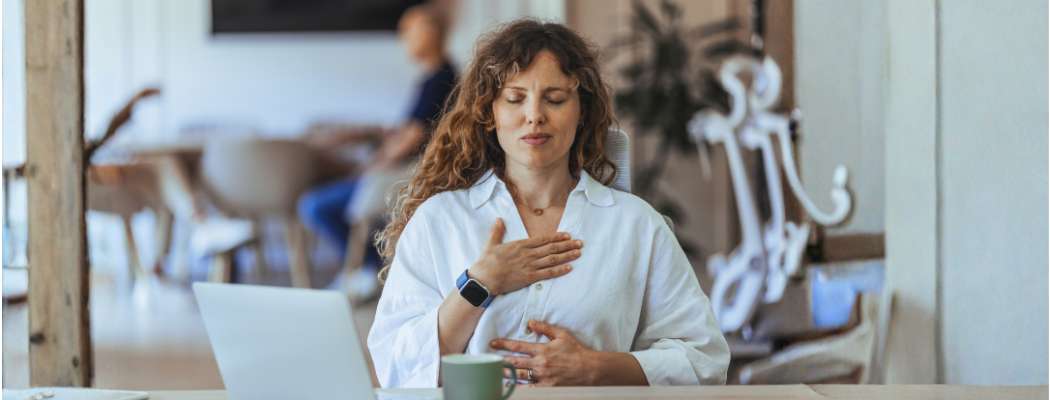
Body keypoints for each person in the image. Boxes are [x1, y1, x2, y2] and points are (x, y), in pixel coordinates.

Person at [367, 20, 729, 388]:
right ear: (490, 112)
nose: (535, 115)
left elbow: (704, 358)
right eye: (515, 98)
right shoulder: (440, 220)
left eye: (554, 99)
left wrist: (596, 368)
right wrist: (479, 284)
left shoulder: (636, 225)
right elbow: (394, 365)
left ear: (582, 111)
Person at [298, 3, 457, 299]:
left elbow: (413, 138)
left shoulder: (441, 79)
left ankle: (368, 268)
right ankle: (368, 268)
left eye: (409, 31)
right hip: (398, 172)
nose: (404, 38)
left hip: (403, 176)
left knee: (315, 206)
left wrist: (372, 165)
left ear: (431, 33)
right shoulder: (434, 77)